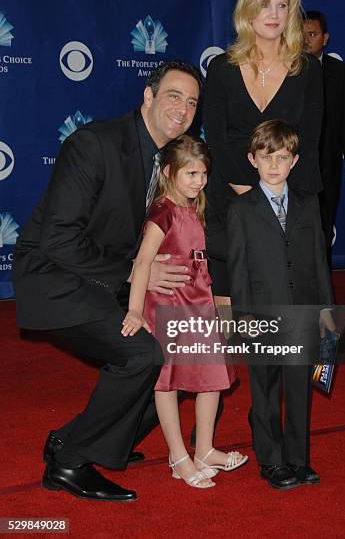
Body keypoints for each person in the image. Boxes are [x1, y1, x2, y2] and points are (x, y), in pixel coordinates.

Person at [12, 60, 202, 502]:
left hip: (110, 277)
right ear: (149, 97)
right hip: (55, 276)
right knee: (142, 354)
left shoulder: (175, 163)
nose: (183, 109)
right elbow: (58, 241)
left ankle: (93, 438)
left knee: (183, 351)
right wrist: (138, 271)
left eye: (192, 102)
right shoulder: (94, 144)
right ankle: (69, 462)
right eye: (174, 96)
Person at [121, 135, 248, 488]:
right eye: (191, 174)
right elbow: (144, 263)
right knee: (169, 384)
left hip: (199, 303)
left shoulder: (195, 205)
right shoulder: (162, 211)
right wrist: (134, 311)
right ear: (168, 172)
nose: (199, 181)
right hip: (169, 307)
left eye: (203, 173)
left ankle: (204, 449)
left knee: (212, 378)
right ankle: (179, 457)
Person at [227, 120, 334, 490]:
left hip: (302, 312)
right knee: (266, 389)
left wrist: (325, 310)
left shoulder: (308, 204)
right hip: (262, 314)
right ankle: (271, 461)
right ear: (252, 159)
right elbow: (238, 268)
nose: (274, 165)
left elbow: (319, 260)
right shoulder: (241, 209)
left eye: (283, 157)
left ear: (295, 160)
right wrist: (243, 318)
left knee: (299, 389)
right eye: (266, 157)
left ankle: (298, 459)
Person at [203, 0, 323, 298]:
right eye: (264, 5)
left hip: (290, 199)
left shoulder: (308, 69)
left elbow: (309, 142)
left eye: (282, 6)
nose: (273, 14)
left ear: (291, 13)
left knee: (286, 299)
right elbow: (216, 137)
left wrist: (275, 199)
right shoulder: (221, 67)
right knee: (231, 302)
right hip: (231, 196)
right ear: (247, 11)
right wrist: (252, 197)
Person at [303, 10, 345, 264]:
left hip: (328, 162)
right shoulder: (286, 68)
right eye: (302, 35)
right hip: (293, 163)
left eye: (313, 34)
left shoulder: (341, 71)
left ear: (325, 38)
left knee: (325, 225)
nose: (306, 40)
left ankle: (323, 289)